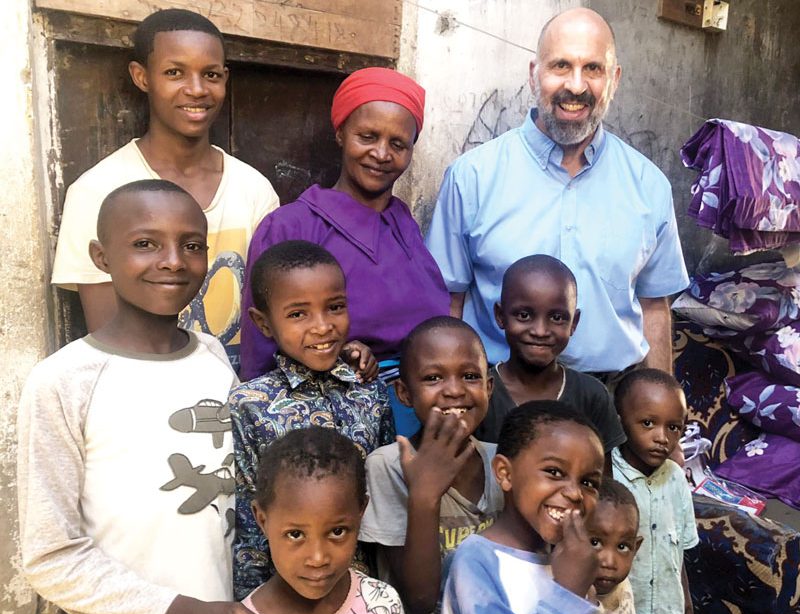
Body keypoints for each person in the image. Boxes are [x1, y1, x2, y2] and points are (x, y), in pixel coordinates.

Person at [17, 180, 260, 614]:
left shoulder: (212, 358)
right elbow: (51, 556)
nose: (173, 260)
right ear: (101, 256)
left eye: (191, 245)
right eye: (145, 244)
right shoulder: (65, 381)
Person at [425, 7, 688, 380]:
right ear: (534, 74)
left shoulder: (649, 186)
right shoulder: (471, 178)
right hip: (499, 396)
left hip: (612, 399)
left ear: (614, 79)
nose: (577, 86)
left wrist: (661, 403)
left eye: (593, 68)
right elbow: (448, 302)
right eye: (561, 66)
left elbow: (654, 307)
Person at [51, 8, 279, 372]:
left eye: (211, 74)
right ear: (141, 77)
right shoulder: (96, 191)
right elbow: (110, 344)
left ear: (225, 79)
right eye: (175, 72)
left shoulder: (254, 189)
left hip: (241, 391)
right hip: (142, 391)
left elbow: (272, 309)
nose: (197, 89)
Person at [240, 67, 450, 436]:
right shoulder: (291, 227)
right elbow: (260, 353)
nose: (381, 154)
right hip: (331, 422)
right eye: (367, 136)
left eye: (398, 144)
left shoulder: (404, 224)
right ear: (340, 133)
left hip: (424, 417)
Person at [231, 240, 395, 600]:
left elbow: (385, 500)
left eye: (334, 307)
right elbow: (248, 521)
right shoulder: (250, 405)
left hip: (364, 595)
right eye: (298, 314)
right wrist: (252, 608)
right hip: (285, 594)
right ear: (263, 323)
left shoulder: (369, 391)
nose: (322, 327)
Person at [359, 317, 502, 614]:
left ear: (488, 387)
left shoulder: (501, 463)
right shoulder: (388, 466)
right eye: (433, 378)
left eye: (469, 376)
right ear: (404, 393)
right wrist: (424, 495)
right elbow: (420, 602)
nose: (454, 390)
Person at [439, 400, 605, 614]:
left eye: (588, 483)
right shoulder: (477, 559)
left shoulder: (569, 562)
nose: (575, 493)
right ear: (505, 474)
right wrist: (569, 593)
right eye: (554, 472)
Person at [242, 426, 408, 614]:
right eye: (295, 534)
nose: (318, 558)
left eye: (337, 532)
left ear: (361, 512)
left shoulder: (382, 605)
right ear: (262, 520)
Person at [477, 254, 626, 461]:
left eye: (557, 318)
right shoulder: (480, 394)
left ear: (574, 323)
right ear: (500, 316)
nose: (540, 331)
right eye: (524, 315)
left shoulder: (591, 396)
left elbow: (602, 478)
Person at [611, 369, 698, 614]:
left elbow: (678, 551)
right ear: (620, 421)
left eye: (673, 427)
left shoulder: (676, 479)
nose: (662, 438)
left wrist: (685, 597)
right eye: (648, 423)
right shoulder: (607, 476)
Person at [587, 479, 643, 614]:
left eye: (622, 547)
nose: (609, 562)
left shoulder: (623, 589)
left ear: (635, 549)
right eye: (595, 542)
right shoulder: (558, 593)